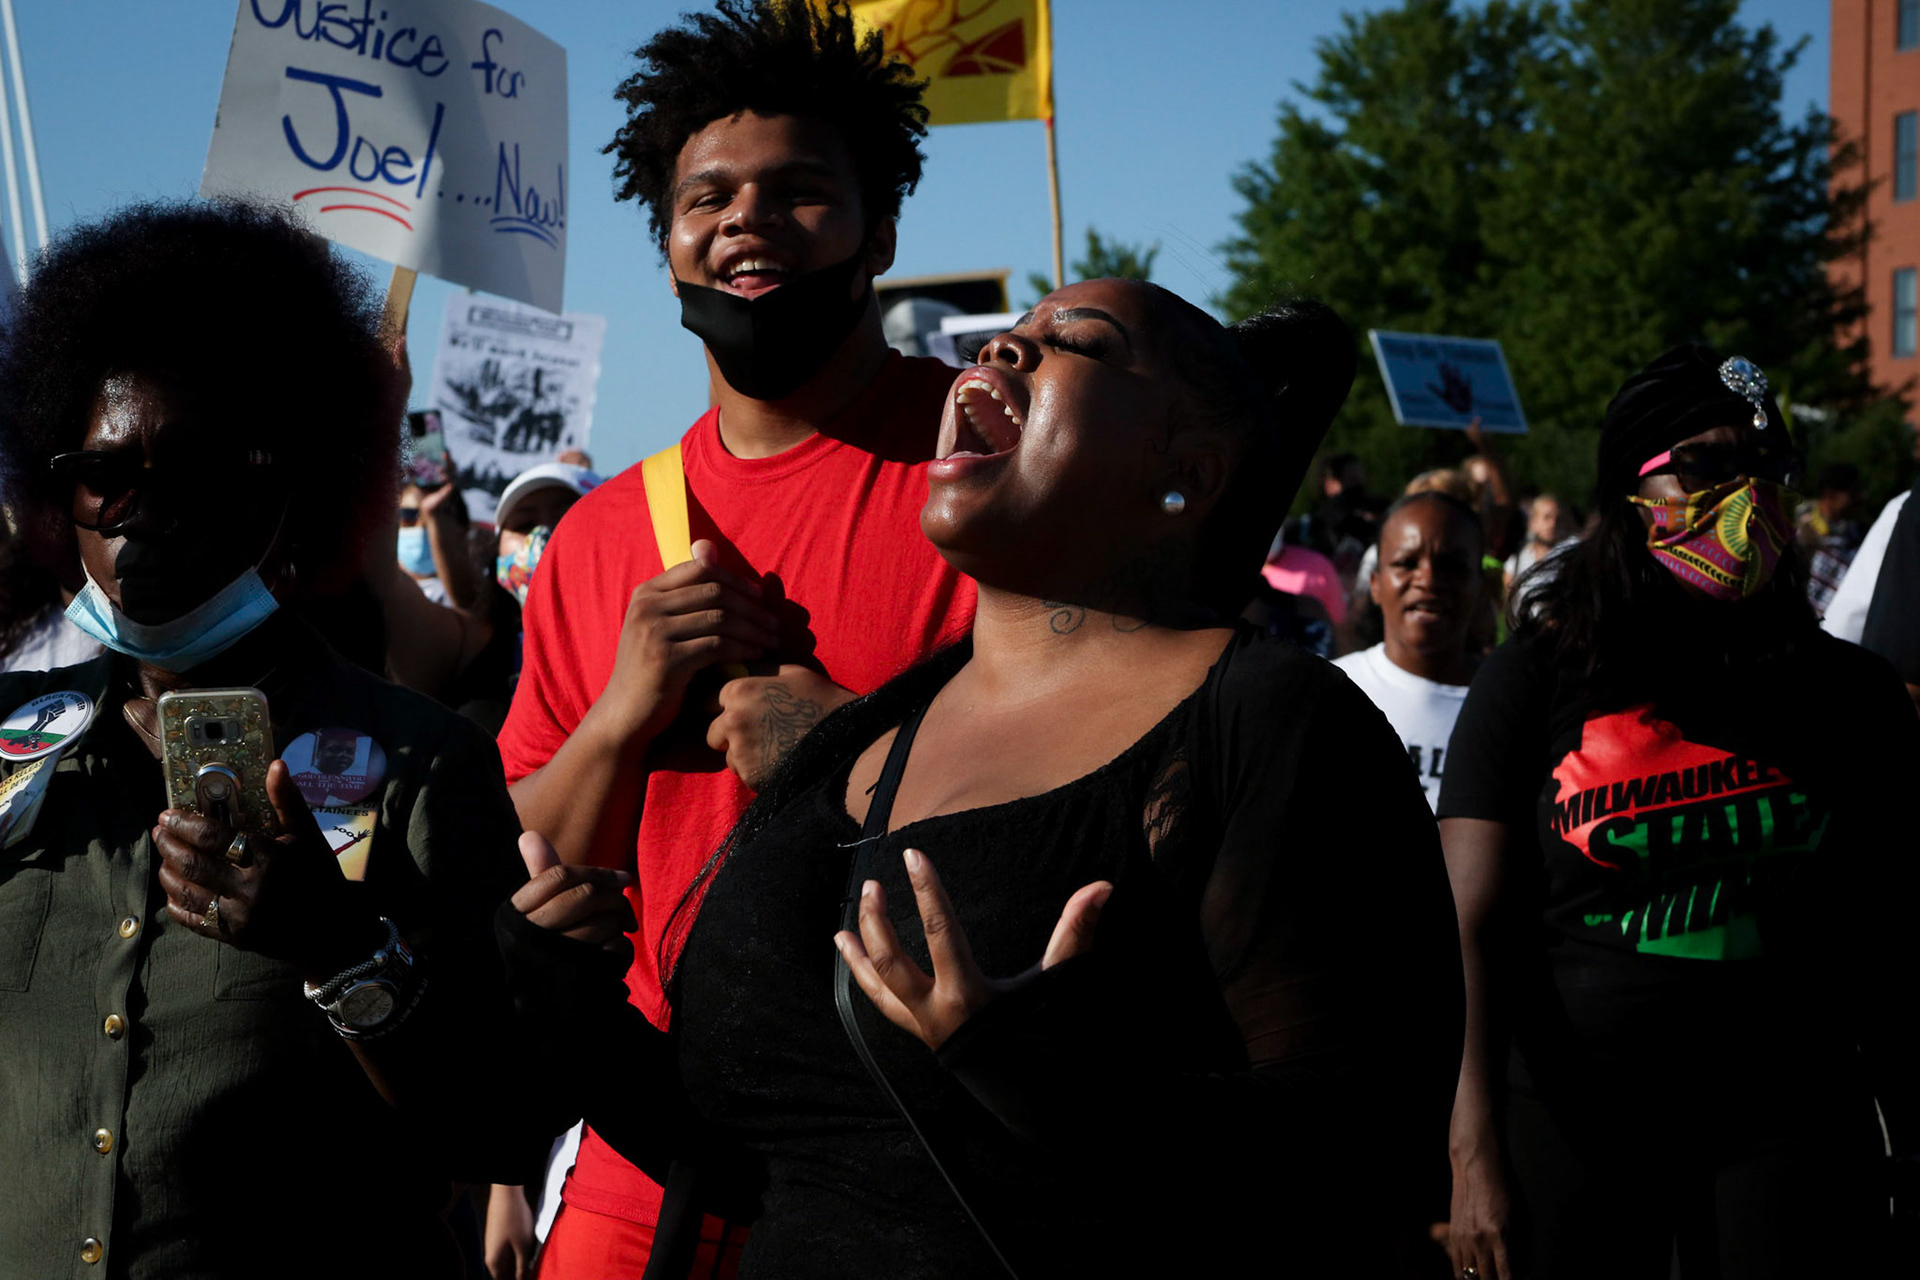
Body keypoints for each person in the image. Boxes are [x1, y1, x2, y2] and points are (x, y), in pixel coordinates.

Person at [501, 282, 1466, 1278]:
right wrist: (570, 1007)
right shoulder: (861, 744)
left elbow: (1371, 1160)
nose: (1006, 346)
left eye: (1075, 342)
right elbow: (772, 1159)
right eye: (1011, 333)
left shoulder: (1272, 725)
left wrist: (1061, 1092)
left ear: (1187, 471)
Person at [495, 3, 976, 1273]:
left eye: (800, 190)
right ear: (667, 247)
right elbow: (527, 849)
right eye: (706, 198)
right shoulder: (599, 537)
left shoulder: (988, 470)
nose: (746, 222)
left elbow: (1105, 776)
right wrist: (622, 713)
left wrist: (843, 743)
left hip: (913, 1139)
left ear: (880, 229)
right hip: (643, 1148)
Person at [0, 201, 540, 1278]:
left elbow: (496, 1126)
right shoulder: (11, 754)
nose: (141, 511)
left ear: (280, 493)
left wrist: (337, 946)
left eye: (191, 469)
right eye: (107, 473)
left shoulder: (420, 761)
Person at [1437, 344, 1918, 1279]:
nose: (1746, 496)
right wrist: (1470, 1155)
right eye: (1706, 465)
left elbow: (1898, 935)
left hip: (1788, 1122)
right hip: (1574, 1117)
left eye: (1768, 469)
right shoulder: (1533, 678)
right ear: (1630, 486)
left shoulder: (1852, 696)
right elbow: (1464, 930)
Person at [1334, 491, 1485, 810]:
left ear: (1480, 584)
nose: (1428, 579)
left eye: (1451, 565)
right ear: (1375, 583)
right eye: (1406, 563)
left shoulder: (1510, 701)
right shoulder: (1329, 692)